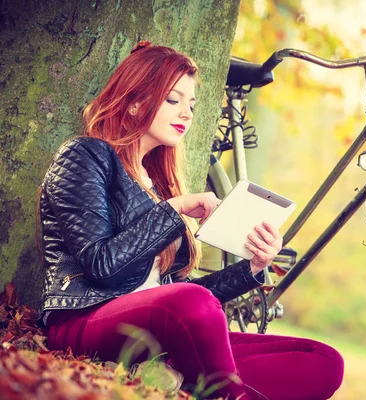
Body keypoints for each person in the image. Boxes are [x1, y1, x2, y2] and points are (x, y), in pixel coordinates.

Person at [37, 41, 344, 400]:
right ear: (135, 102)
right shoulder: (85, 155)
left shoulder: (157, 182)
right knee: (189, 303)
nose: (187, 113)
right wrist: (174, 209)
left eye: (192, 104)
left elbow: (196, 303)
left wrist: (254, 266)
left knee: (322, 360)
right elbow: (100, 266)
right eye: (174, 100)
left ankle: (180, 378)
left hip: (163, 332)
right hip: (86, 320)